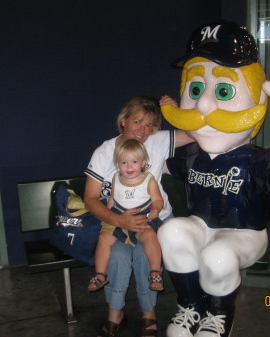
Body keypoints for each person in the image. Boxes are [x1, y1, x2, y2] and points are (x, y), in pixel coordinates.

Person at [158, 22, 270, 337]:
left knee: (218, 255)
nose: (203, 105)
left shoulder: (253, 161)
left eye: (224, 90)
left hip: (244, 235)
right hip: (202, 228)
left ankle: (219, 315)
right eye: (197, 88)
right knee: (173, 230)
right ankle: (192, 306)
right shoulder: (192, 155)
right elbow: (154, 165)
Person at [84, 94, 194, 337]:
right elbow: (90, 199)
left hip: (155, 217)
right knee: (118, 257)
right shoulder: (104, 151)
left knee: (145, 254)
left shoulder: (158, 141)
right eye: (137, 122)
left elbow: (197, 133)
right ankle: (116, 313)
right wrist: (119, 220)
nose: (143, 131)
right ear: (123, 121)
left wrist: (176, 112)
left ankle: (149, 313)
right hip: (115, 220)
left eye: (149, 124)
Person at [88, 138, 164, 293]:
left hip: (142, 216)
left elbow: (157, 199)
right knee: (103, 238)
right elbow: (112, 199)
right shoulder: (116, 178)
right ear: (117, 164)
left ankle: (155, 272)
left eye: (134, 162)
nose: (129, 167)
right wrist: (106, 216)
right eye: (124, 163)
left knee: (150, 235)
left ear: (143, 163)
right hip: (119, 216)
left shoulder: (149, 180)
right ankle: (100, 274)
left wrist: (156, 209)